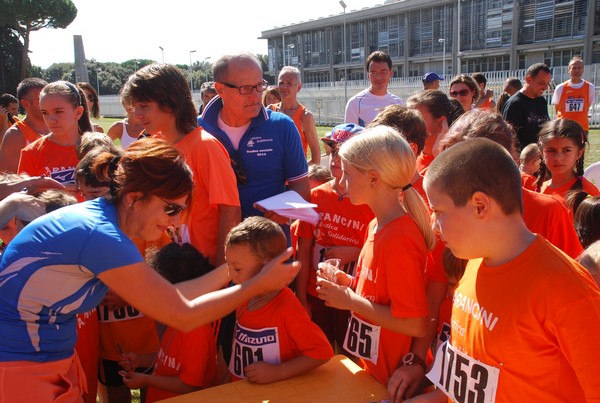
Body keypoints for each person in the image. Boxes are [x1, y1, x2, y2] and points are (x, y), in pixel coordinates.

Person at [0, 138, 299, 401]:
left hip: (41, 360)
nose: (177, 221)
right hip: (22, 367)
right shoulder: (101, 236)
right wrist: (255, 285)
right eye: (172, 208)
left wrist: (233, 271)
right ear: (134, 198)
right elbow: (182, 314)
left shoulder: (104, 224)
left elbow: (171, 297)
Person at [413, 137, 600, 402]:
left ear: (480, 206)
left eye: (439, 211)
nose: (434, 226)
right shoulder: (475, 262)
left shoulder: (567, 290)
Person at [316, 125, 435, 386]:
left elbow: (415, 324)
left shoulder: (399, 237)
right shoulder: (375, 225)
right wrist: (347, 284)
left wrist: (349, 301)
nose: (339, 182)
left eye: (347, 174)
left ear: (373, 178)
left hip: (393, 380)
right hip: (374, 373)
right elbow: (381, 296)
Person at [122, 63, 241, 265]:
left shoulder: (205, 146)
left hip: (201, 269)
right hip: (162, 270)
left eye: (143, 106)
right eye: (135, 107)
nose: (137, 115)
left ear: (169, 103)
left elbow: (230, 210)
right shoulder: (151, 146)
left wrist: (222, 272)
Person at [198, 53, 310, 222]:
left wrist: (287, 208)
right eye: (245, 88)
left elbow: (301, 186)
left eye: (259, 86)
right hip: (212, 245)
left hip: (269, 244)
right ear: (220, 89)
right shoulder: (197, 130)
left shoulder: (282, 126)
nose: (255, 96)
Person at [226, 216, 333, 383]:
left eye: (237, 268)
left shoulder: (287, 306)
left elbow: (322, 351)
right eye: (228, 266)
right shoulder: (242, 295)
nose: (230, 275)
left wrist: (277, 372)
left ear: (267, 266)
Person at [296, 123, 374, 351]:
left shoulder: (369, 202)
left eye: (342, 153)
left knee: (352, 357)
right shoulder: (317, 195)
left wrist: (356, 253)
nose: (334, 159)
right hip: (315, 292)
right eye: (332, 152)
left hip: (354, 295)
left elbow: (383, 253)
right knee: (319, 355)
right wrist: (301, 297)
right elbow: (304, 248)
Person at [120, 242, 218, 402]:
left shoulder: (196, 331)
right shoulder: (174, 317)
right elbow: (169, 361)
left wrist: (146, 380)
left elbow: (190, 385)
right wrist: (140, 360)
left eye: (158, 285)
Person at [18, 81, 93, 189]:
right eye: (45, 113)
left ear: (78, 113)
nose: (51, 119)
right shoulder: (31, 153)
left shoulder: (96, 149)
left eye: (58, 112)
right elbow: (23, 199)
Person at [535, 119, 599, 210]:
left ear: (579, 153)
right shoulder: (539, 188)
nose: (558, 157)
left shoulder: (588, 193)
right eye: (551, 150)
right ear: (541, 153)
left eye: (566, 150)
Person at [267, 66, 321, 165]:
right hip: (272, 176)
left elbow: (316, 154)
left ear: (299, 87)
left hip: (294, 178)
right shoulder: (270, 110)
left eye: (289, 83)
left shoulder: (305, 116)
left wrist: (304, 174)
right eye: (281, 83)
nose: (284, 87)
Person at [0, 78, 49, 173]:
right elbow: (7, 181)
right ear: (25, 104)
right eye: (42, 99)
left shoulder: (58, 128)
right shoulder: (15, 135)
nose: (48, 103)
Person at [344, 51, 404, 127]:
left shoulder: (399, 102)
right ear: (368, 75)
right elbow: (349, 136)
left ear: (391, 73)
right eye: (374, 72)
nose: (378, 77)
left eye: (383, 72)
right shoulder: (355, 103)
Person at [502, 63, 551, 149]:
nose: (546, 87)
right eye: (542, 83)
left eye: (547, 83)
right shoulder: (514, 104)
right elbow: (509, 139)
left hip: (541, 156)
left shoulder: (541, 101)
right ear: (529, 79)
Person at [405, 90, 452, 174]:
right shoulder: (410, 157)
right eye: (408, 118)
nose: (409, 124)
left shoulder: (454, 162)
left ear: (441, 122)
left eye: (418, 119)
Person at [552, 56, 595, 133]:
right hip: (564, 127)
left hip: (582, 127)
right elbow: (557, 108)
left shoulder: (590, 87)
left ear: (583, 70)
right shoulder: (560, 88)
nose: (577, 70)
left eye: (579, 68)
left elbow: (587, 106)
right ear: (569, 70)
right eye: (574, 68)